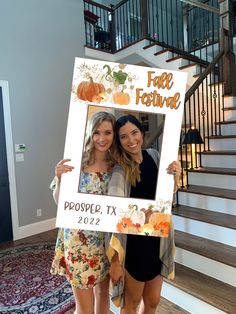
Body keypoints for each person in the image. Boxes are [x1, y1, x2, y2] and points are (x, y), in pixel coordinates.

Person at [106, 114, 181, 314]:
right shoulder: (120, 170)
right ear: (119, 142)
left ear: (142, 132)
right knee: (131, 303)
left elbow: (166, 196)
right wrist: (114, 261)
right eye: (123, 137)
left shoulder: (154, 156)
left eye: (134, 133)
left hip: (158, 240)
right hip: (134, 245)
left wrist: (175, 176)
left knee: (153, 300)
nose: (131, 140)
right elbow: (112, 216)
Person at [50, 111, 116, 314]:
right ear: (90, 133)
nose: (102, 138)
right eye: (96, 132)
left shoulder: (117, 166)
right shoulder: (75, 161)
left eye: (107, 132)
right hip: (78, 242)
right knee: (84, 307)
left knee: (103, 297)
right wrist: (59, 180)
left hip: (105, 242)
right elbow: (59, 202)